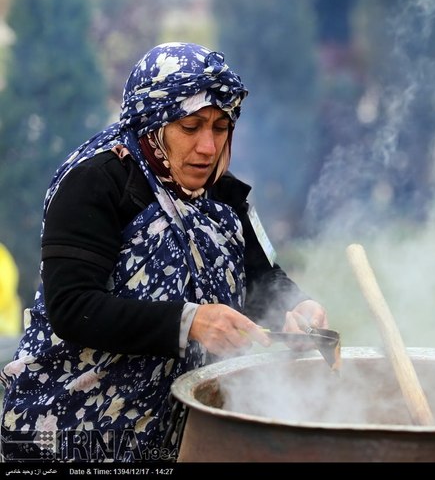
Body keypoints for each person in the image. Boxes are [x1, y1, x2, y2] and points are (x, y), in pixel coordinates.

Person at [0, 42, 327, 462]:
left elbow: (261, 277)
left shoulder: (224, 195)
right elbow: (73, 306)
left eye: (220, 127)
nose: (208, 147)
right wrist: (189, 322)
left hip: (174, 437)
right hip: (74, 435)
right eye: (190, 127)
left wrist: (296, 307)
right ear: (152, 124)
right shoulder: (97, 183)